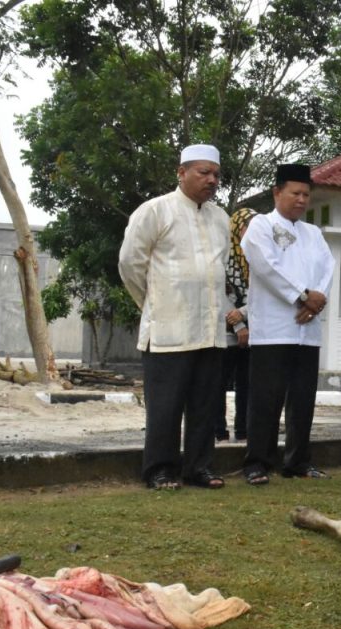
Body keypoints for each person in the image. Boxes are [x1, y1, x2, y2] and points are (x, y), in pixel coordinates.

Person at [118, 143, 230, 490]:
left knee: (204, 406)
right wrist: (154, 304)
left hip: (210, 330)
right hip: (168, 329)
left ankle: (199, 467)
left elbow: (218, 270)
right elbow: (130, 265)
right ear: (181, 173)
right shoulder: (154, 211)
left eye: (215, 174)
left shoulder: (221, 218)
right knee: (164, 408)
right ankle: (159, 470)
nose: (211, 180)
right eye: (203, 172)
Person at [239, 163, 335, 485]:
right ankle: (257, 462)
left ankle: (297, 461)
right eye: (295, 193)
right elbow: (267, 268)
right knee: (266, 399)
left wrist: (317, 300)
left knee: (303, 400)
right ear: (277, 192)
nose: (301, 199)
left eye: (306, 194)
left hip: (307, 330)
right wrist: (302, 296)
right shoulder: (260, 226)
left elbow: (327, 268)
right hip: (273, 329)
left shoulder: (314, 233)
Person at [214, 207, 254, 443]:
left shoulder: (257, 257)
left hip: (254, 331)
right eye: (248, 225)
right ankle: (218, 430)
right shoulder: (224, 258)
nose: (252, 231)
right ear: (237, 228)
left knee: (247, 385)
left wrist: (247, 317)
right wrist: (239, 326)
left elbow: (263, 296)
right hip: (227, 332)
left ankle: (243, 431)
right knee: (219, 383)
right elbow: (220, 296)